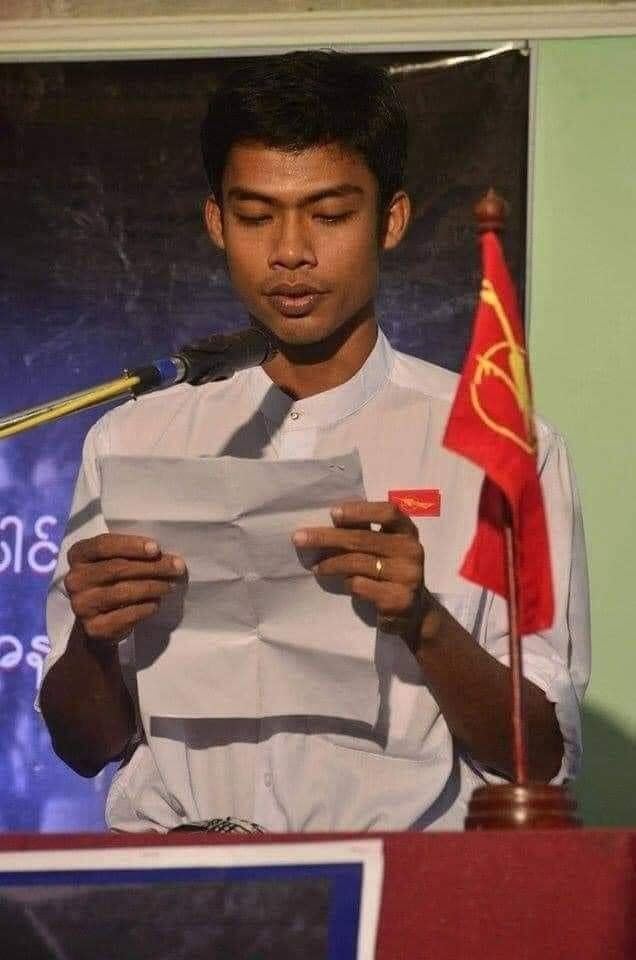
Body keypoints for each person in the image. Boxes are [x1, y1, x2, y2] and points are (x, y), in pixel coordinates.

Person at [40, 50, 590, 832]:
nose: (291, 251)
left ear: (391, 219)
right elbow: (83, 746)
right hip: (174, 878)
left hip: (395, 882)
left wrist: (423, 621)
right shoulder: (131, 438)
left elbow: (542, 758)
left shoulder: (499, 447)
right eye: (256, 216)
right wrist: (95, 642)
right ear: (216, 222)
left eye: (329, 215)